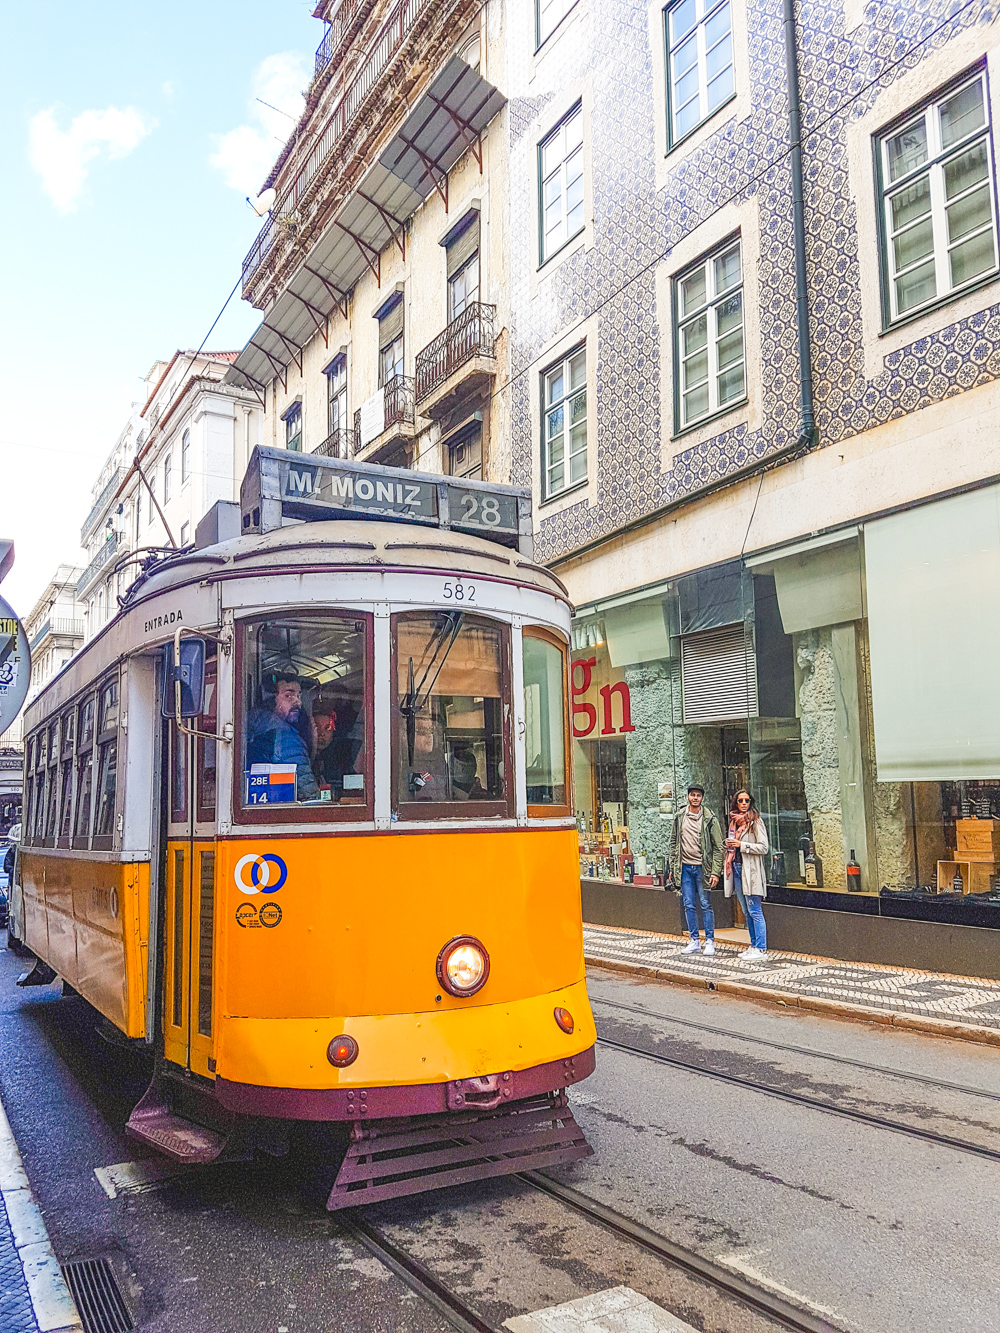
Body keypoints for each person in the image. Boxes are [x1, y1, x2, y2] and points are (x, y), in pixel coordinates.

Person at [669, 784, 724, 956]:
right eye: (692, 795)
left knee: (705, 904)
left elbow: (719, 847)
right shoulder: (679, 817)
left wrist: (715, 872)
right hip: (685, 867)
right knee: (688, 905)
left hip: (703, 868)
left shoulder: (709, 818)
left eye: (698, 795)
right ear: (687, 797)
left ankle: (709, 941)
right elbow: (673, 843)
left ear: (702, 798)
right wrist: (673, 866)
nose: (695, 798)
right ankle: (694, 940)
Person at [247, 673, 319, 801]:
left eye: (299, 696)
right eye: (288, 695)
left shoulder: (253, 729)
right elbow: (308, 794)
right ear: (270, 699)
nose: (297, 701)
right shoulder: (286, 739)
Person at [723, 789, 769, 960]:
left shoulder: (755, 821)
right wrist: (729, 845)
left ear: (751, 802)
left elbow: (764, 847)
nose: (744, 804)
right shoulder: (734, 822)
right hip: (736, 868)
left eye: (747, 801)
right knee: (746, 910)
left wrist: (741, 845)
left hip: (751, 871)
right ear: (736, 802)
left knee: (755, 909)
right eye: (740, 801)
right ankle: (754, 944)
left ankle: (762, 948)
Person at [312, 695, 363, 798]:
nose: (322, 733)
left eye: (328, 728)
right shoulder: (306, 756)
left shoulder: (344, 755)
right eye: (317, 728)